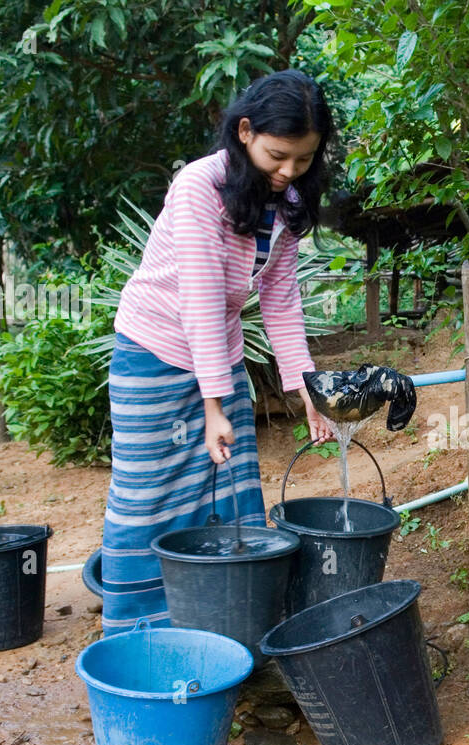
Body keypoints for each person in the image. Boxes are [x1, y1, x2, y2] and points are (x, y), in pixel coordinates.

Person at [101, 70, 336, 636]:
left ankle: (223, 624)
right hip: (152, 351)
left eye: (303, 161)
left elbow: (280, 301)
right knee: (147, 492)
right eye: (278, 156)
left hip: (218, 353)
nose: (288, 172)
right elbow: (200, 298)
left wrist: (307, 390)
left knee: (227, 488)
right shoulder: (197, 187)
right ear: (245, 131)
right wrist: (215, 407)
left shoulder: (289, 198)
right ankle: (138, 631)